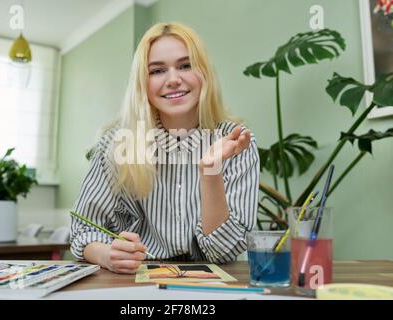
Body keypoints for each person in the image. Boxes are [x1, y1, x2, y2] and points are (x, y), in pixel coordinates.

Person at [70, 22, 260, 274]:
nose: (173, 80)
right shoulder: (117, 142)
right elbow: (83, 230)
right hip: (136, 278)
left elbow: (222, 252)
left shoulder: (236, 142)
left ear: (204, 73)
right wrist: (108, 255)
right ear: (142, 83)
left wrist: (210, 171)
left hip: (217, 281)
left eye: (185, 65)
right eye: (157, 71)